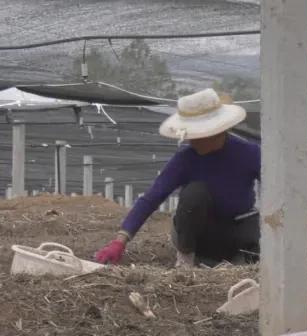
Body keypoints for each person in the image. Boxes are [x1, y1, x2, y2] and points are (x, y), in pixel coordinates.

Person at [94, 88, 260, 268]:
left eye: (197, 134)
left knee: (256, 238)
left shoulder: (249, 153)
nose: (191, 140)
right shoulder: (185, 159)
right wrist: (120, 240)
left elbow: (277, 192)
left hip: (239, 229)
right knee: (194, 193)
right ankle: (186, 259)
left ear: (217, 130)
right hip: (200, 234)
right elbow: (151, 198)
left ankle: (241, 261)